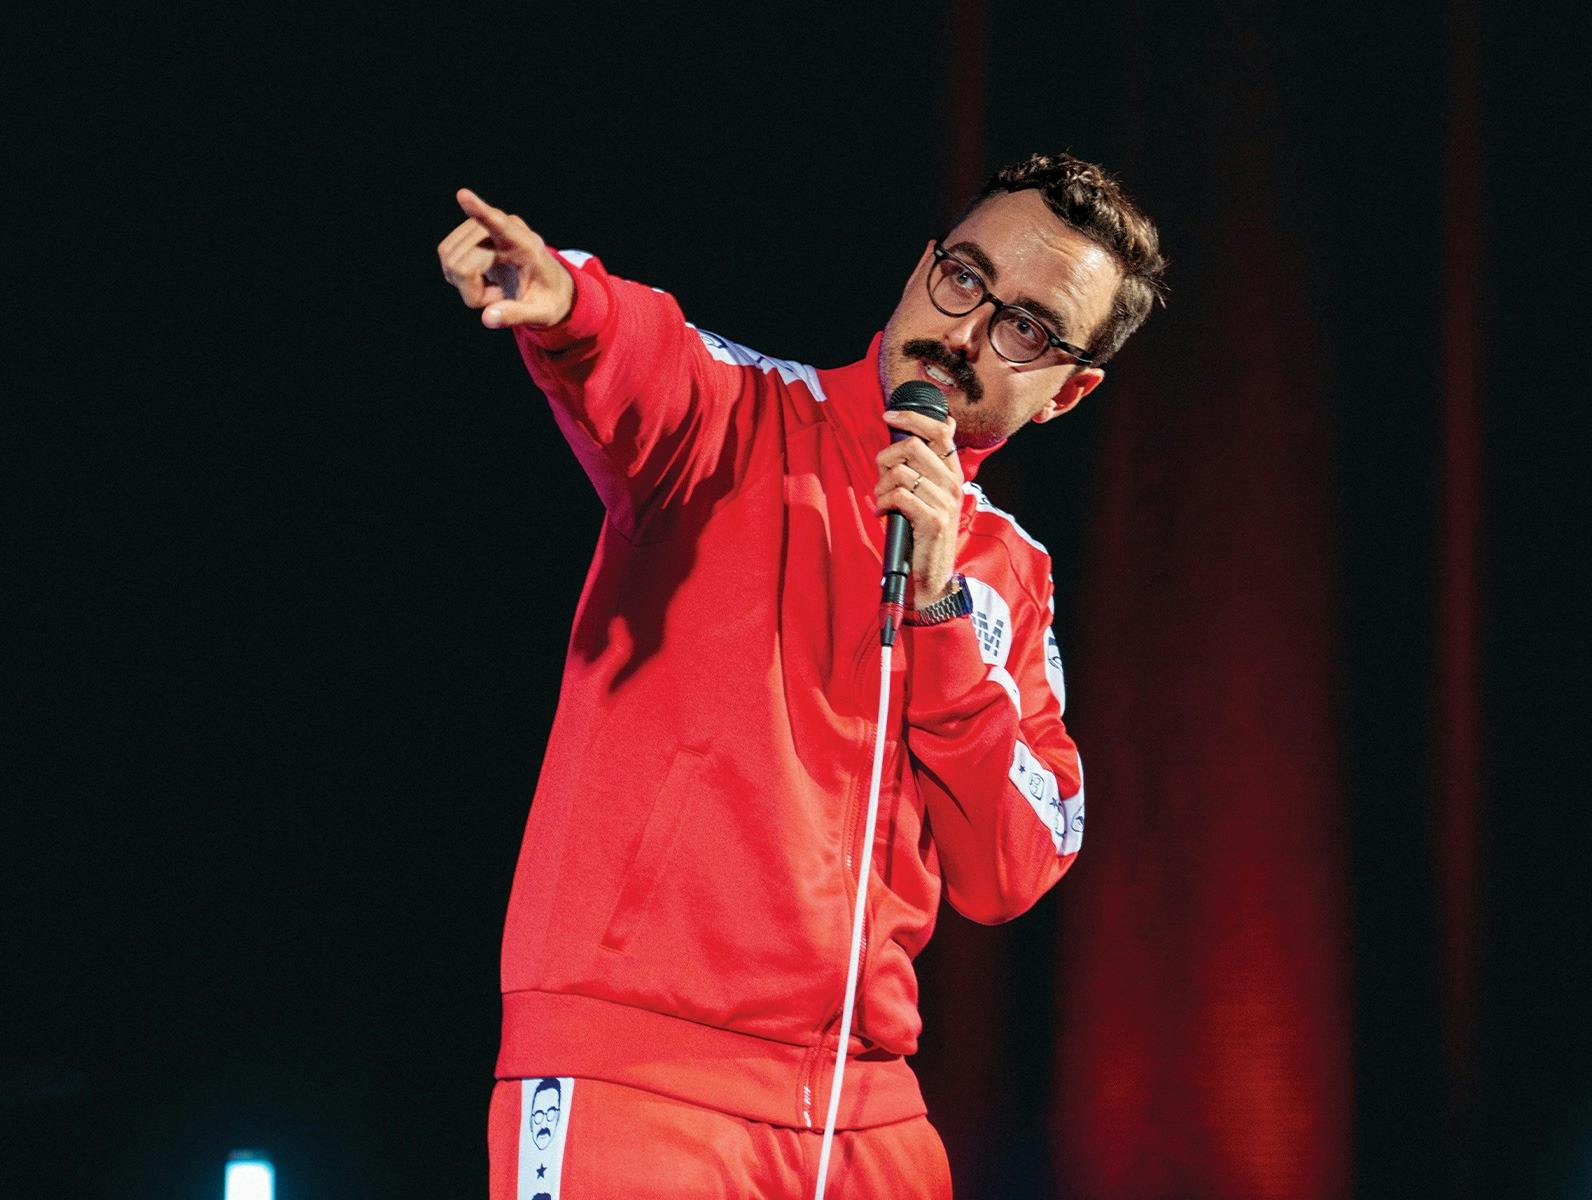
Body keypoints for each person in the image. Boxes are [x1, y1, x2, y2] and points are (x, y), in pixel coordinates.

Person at [439, 152, 1165, 1199]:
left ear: (1069, 391)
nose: (965, 331)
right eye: (964, 276)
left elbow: (1013, 865)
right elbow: (641, 351)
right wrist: (564, 300)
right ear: (921, 266)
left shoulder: (1009, 575)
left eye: (1027, 328)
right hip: (639, 1080)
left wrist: (940, 611)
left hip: (866, 1114)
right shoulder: (741, 413)